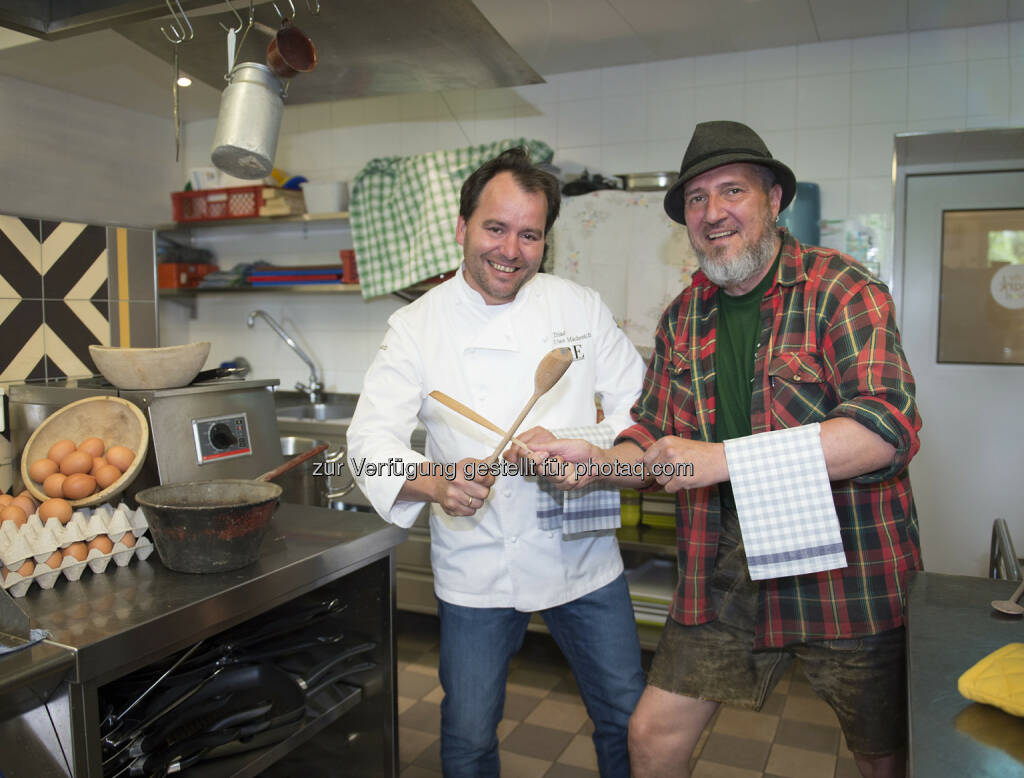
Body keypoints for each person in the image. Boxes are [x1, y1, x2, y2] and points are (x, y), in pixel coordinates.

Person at [527, 121, 922, 778]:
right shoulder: (684, 315)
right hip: (728, 565)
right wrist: (595, 465)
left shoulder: (843, 290)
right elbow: (652, 438)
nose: (713, 213)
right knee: (652, 736)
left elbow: (885, 432)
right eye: (696, 200)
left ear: (773, 198)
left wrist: (721, 459)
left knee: (884, 756)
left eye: (730, 191)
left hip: (851, 568)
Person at [346, 147, 646, 777]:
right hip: (479, 558)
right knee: (469, 733)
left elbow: (637, 407)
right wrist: (435, 482)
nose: (511, 249)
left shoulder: (578, 307)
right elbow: (368, 445)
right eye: (495, 228)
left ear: (545, 242)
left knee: (626, 716)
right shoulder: (415, 327)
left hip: (583, 555)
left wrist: (599, 458)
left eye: (530, 234)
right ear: (462, 229)